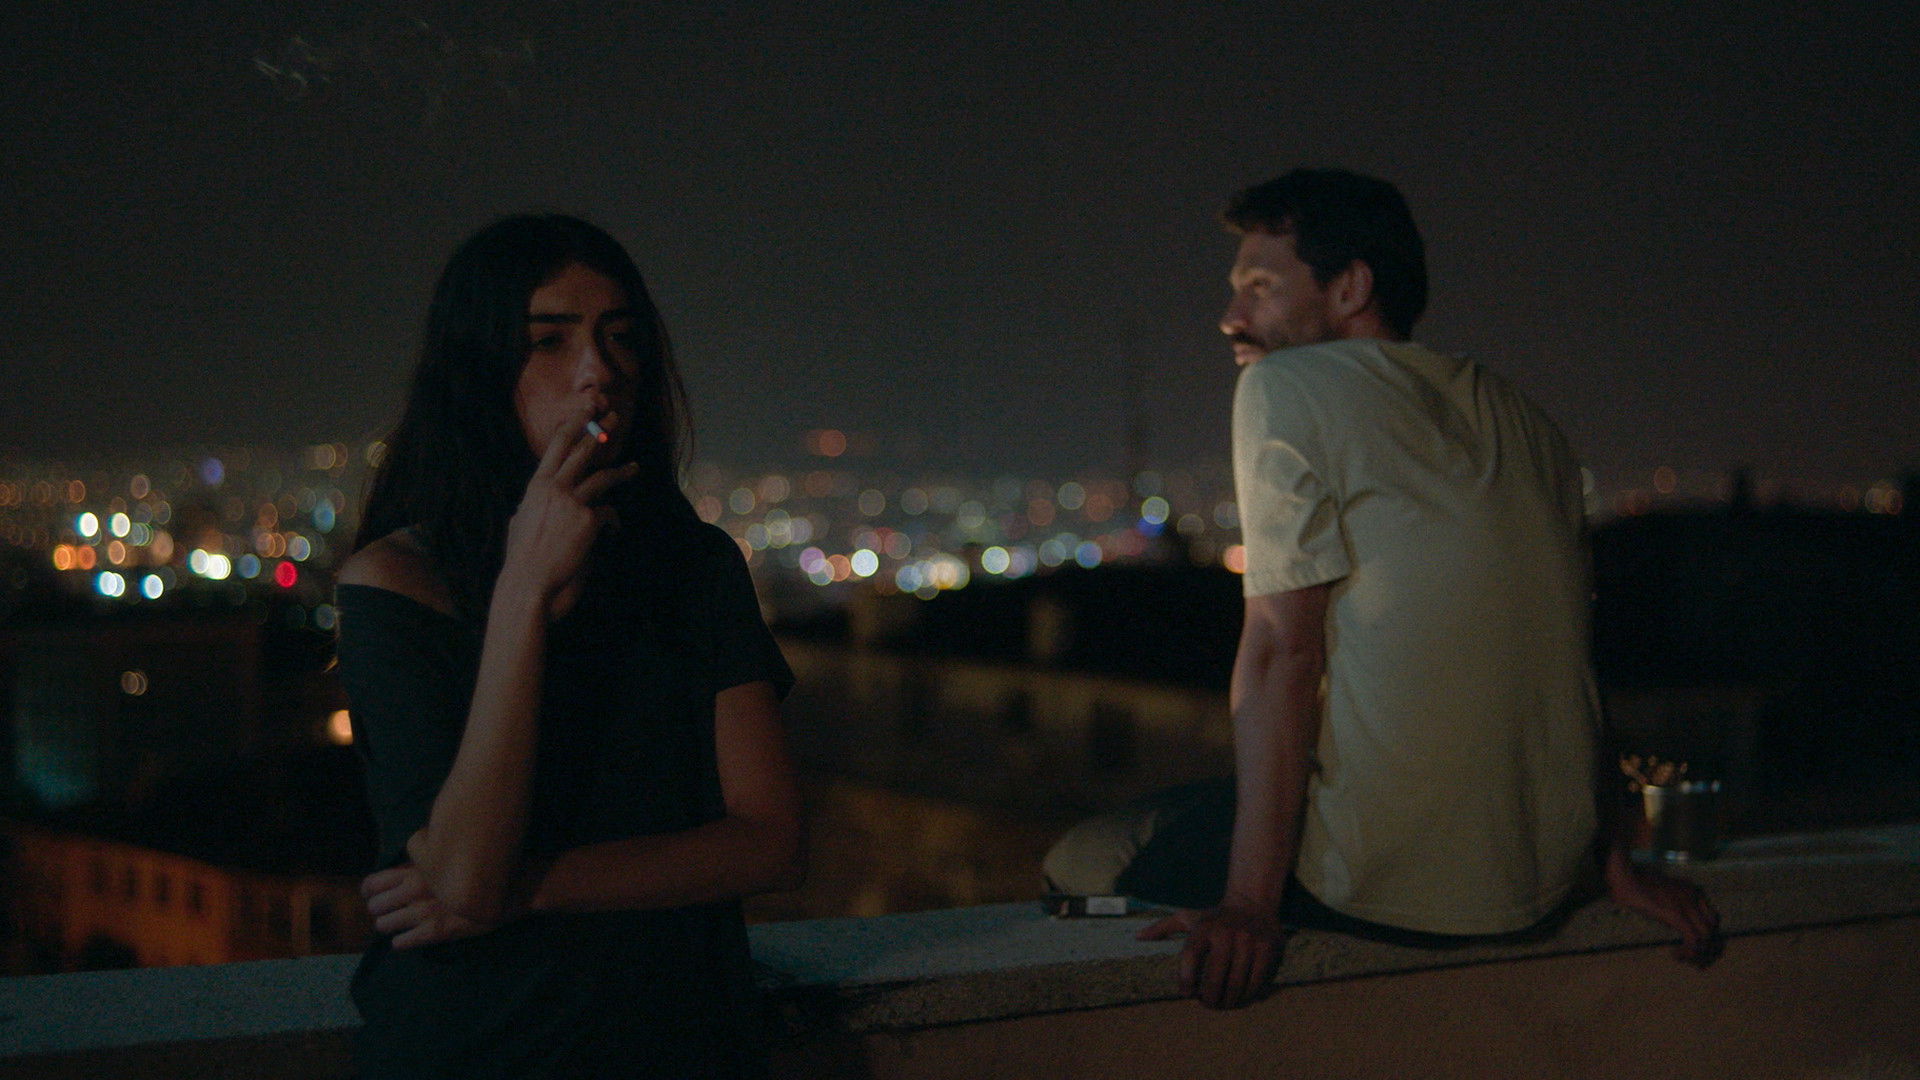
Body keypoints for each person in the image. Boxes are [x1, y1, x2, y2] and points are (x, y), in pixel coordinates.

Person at [1043, 168, 1719, 1008]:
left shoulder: (1284, 387)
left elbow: (1282, 653)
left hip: (1384, 887)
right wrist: (1617, 862)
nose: (1231, 316)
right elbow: (1566, 659)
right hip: (1542, 877)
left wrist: (1249, 904)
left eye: (1260, 287)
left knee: (1083, 859)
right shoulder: (1530, 422)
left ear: (1351, 287)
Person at [334, 214, 803, 1077]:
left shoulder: (693, 567)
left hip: (682, 1044)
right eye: (549, 341)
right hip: (476, 1050)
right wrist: (524, 591)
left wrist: (527, 888)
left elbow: (770, 840)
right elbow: (465, 871)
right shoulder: (396, 584)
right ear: (480, 368)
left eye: (620, 337)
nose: (599, 372)